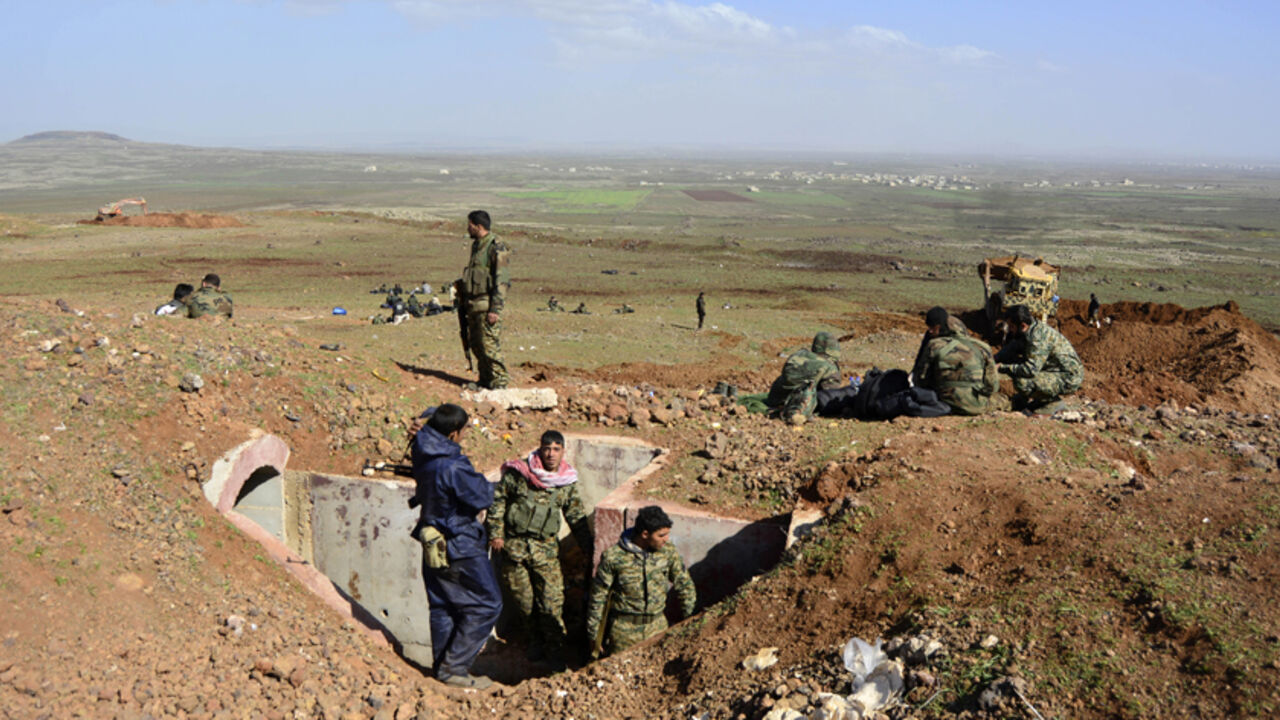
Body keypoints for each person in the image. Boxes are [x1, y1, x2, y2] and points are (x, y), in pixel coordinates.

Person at [409, 404, 502, 690]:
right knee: (487, 603)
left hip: (431, 537)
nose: (463, 437)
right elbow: (480, 496)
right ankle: (454, 668)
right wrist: (495, 486)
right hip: (459, 542)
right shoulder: (453, 465)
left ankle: (442, 668)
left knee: (443, 604)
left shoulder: (422, 450)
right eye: (462, 432)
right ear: (452, 434)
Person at [486, 431, 591, 669]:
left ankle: (555, 650)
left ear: (563, 451)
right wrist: (496, 533)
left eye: (556, 449)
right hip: (515, 550)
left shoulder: (565, 482)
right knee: (524, 602)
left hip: (546, 552)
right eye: (546, 448)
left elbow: (576, 517)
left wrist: (588, 548)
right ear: (540, 449)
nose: (550, 454)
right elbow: (499, 501)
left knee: (551, 603)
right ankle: (534, 641)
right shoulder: (520, 473)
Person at [585, 506, 696, 659]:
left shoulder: (668, 552)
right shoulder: (613, 557)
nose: (666, 539)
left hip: (658, 629)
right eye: (661, 535)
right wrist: (594, 634)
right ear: (645, 534)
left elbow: (684, 585)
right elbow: (598, 597)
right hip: (624, 634)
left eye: (667, 534)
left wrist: (689, 621)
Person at [995, 304, 1084, 412]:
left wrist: (1001, 367)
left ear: (1022, 325)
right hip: (1052, 369)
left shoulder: (1038, 337)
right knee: (1014, 362)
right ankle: (1035, 400)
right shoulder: (1028, 329)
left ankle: (1052, 403)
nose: (1010, 330)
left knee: (1022, 381)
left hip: (1067, 377)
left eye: (1012, 327)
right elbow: (1012, 348)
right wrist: (994, 359)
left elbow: (1030, 370)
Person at [458, 210, 511, 389]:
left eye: (470, 224)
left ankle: (500, 384)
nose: (468, 228)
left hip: (487, 305)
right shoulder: (477, 246)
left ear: (478, 226)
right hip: (473, 305)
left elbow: (501, 280)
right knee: (477, 345)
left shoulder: (496, 246)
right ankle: (486, 381)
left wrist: (495, 309)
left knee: (489, 348)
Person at [911, 307, 999, 415]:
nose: (930, 331)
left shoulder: (934, 345)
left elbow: (920, 380)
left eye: (933, 328)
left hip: (943, 403)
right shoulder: (983, 347)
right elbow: (993, 386)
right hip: (977, 406)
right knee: (1005, 400)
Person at [765, 331, 843, 425]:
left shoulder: (798, 355)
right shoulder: (829, 366)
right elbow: (830, 396)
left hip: (774, 399)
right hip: (798, 405)